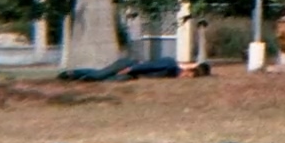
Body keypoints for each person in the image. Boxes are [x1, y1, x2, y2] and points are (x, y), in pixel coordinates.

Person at [58, 57, 210, 81]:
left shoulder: (171, 76)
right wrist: (130, 69)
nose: (185, 78)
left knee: (107, 80)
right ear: (188, 71)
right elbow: (149, 66)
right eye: (188, 76)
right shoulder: (170, 65)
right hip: (128, 65)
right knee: (99, 75)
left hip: (134, 75)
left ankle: (78, 78)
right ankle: (71, 73)